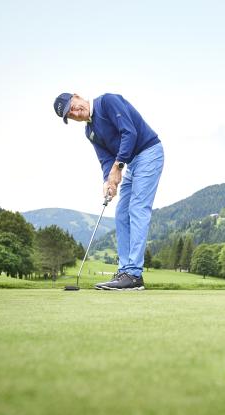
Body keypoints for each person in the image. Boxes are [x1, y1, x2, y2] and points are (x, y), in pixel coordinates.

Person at [53, 92, 164, 290]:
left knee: (138, 208)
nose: (75, 112)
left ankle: (134, 274)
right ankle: (125, 271)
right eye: (70, 115)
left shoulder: (107, 102)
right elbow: (106, 159)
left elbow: (129, 132)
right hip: (130, 163)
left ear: (78, 97)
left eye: (72, 106)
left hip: (149, 153)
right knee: (122, 212)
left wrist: (118, 166)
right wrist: (108, 182)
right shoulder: (90, 132)